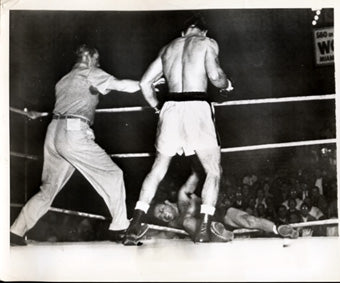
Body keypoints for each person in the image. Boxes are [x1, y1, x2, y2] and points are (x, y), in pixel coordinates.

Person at [10, 44, 140, 246]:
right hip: (73, 131)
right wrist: (146, 83)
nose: (98, 64)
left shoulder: (63, 80)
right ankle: (120, 228)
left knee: (48, 189)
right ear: (89, 58)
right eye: (96, 60)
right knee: (113, 174)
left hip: (53, 132)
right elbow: (122, 85)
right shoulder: (90, 72)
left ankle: (16, 231)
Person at [123, 15, 234, 245]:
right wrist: (227, 85)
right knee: (213, 170)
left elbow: (145, 83)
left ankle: (134, 224)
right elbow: (215, 77)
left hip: (170, 108)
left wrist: (156, 107)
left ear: (183, 33)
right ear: (202, 32)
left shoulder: (168, 48)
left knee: (158, 168)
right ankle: (203, 228)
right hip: (196, 106)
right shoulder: (206, 42)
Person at [150, 171, 298, 242]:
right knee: (187, 222)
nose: (164, 214)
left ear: (167, 203)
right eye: (161, 216)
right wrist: (141, 232)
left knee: (250, 220)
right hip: (205, 230)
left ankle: (278, 228)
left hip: (218, 213)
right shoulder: (173, 224)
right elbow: (160, 235)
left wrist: (199, 157)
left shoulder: (183, 197)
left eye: (162, 209)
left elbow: (194, 176)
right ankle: (217, 233)